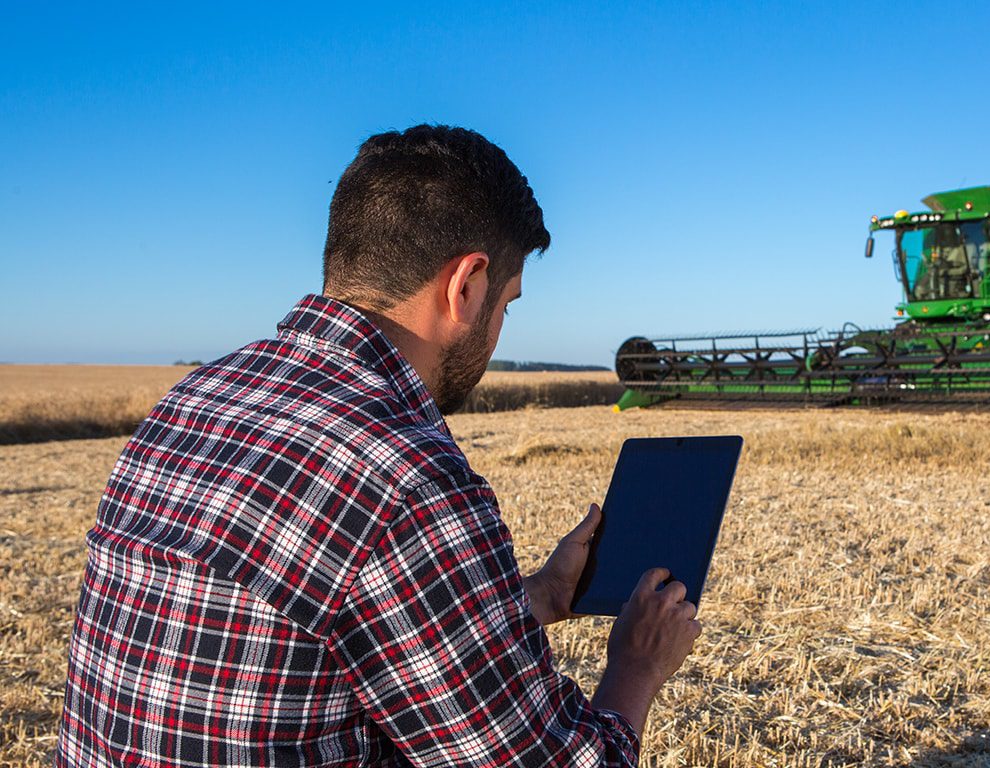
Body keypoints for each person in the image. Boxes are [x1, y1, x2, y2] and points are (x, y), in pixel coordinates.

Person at [56, 124, 701, 767]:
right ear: (467, 285)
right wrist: (637, 666)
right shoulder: (406, 476)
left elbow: (349, 627)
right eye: (507, 305)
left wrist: (539, 596)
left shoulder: (194, 400)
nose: (500, 329)